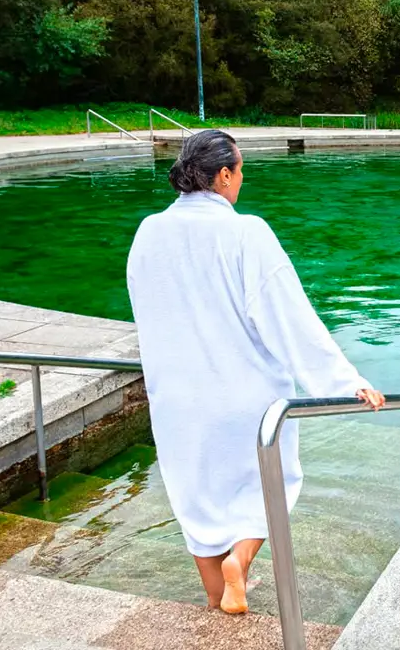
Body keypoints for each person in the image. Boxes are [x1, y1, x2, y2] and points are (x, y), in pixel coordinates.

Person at [126, 129, 385, 615]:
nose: (242, 180)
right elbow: (291, 317)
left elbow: (149, 312)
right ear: (224, 175)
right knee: (275, 482)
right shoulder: (246, 232)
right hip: (245, 397)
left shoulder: (148, 233)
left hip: (179, 400)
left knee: (196, 500)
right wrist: (346, 382)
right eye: (240, 171)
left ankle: (215, 602)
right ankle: (240, 563)